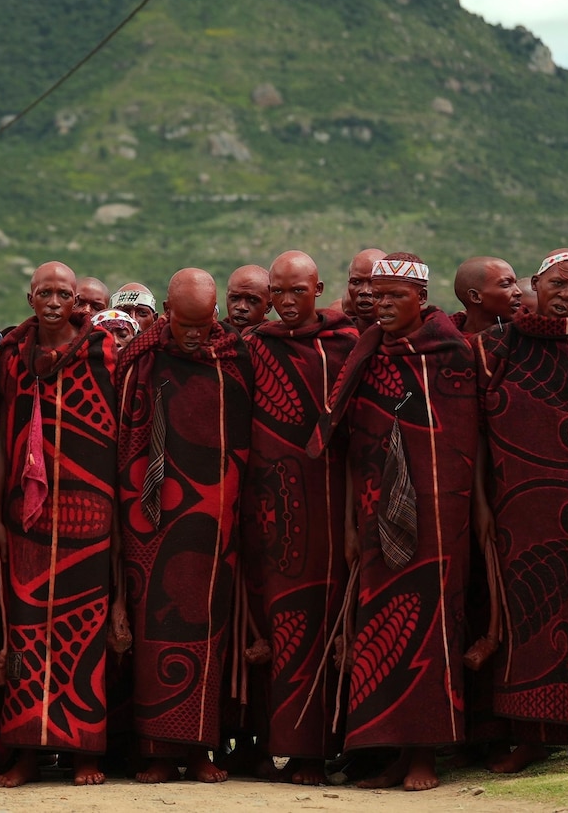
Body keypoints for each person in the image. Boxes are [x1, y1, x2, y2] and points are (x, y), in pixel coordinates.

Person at [312, 253, 476, 792]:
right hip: (377, 507)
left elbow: (463, 442)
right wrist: (357, 525)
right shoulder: (367, 355)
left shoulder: (449, 351)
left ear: (420, 301)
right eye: (376, 296)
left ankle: (425, 755)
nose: (380, 305)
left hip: (438, 515)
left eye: (393, 297)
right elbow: (354, 442)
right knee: (384, 630)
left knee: (430, 630)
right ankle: (389, 753)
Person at [0, 262, 116, 788]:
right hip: (24, 518)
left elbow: (121, 439)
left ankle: (84, 752)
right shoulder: (11, 355)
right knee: (28, 632)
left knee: (83, 636)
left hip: (90, 520)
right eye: (45, 293)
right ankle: (27, 752)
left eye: (64, 293)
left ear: (77, 299)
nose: (54, 301)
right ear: (30, 297)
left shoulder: (104, 352)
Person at [474, 250, 568, 773]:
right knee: (523, 618)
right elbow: (481, 429)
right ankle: (527, 739)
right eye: (558, 284)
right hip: (517, 507)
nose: (567, 294)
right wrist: (485, 502)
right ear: (536, 282)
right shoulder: (495, 346)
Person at [116, 268, 254, 784]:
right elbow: (123, 435)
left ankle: (200, 750)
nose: (194, 335)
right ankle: (156, 752)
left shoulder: (235, 358)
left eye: (203, 324)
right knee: (154, 630)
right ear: (168, 314)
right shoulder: (140, 359)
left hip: (216, 519)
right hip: (148, 519)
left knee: (208, 629)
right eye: (184, 325)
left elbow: (249, 437)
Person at [237, 252, 360, 785]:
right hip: (268, 511)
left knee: (322, 626)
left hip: (330, 510)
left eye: (297, 292)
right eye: (278, 294)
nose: (286, 302)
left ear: (318, 289)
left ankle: (316, 752)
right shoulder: (253, 347)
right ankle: (270, 746)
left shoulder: (346, 347)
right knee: (276, 627)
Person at [451, 257, 522, 335]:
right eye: (506, 285)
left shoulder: (522, 338)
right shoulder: (444, 341)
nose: (518, 292)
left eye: (516, 283)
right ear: (475, 296)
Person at [339, 248, 385, 332]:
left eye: (373, 282)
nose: (365, 290)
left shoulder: (402, 340)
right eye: (356, 282)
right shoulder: (337, 336)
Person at [225, 265, 271, 331]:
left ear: (268, 306)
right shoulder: (210, 336)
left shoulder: (276, 340)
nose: (241, 307)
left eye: (253, 300)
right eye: (235, 298)